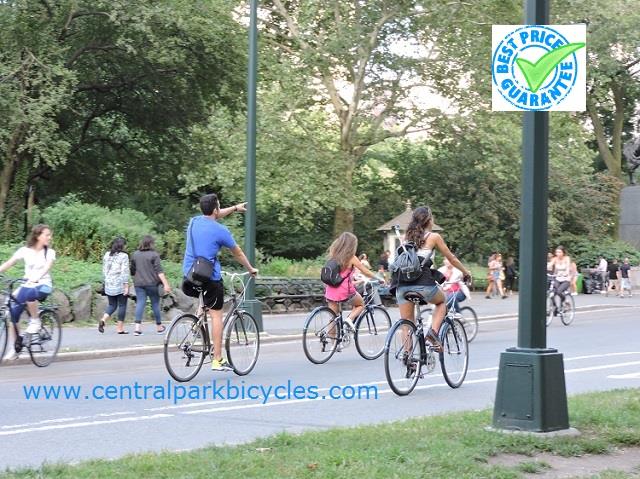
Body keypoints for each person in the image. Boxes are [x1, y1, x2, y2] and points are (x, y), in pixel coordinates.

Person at [182, 193, 258, 372]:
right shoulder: (221, 231)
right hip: (209, 276)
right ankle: (217, 359)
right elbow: (237, 253)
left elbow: (214, 214)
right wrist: (250, 269)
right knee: (217, 315)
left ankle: (196, 323)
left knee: (205, 300)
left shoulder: (193, 222)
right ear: (215, 209)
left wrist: (234, 208)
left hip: (189, 273)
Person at [392, 206, 471, 351]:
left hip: (401, 285)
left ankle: (408, 358)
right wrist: (465, 272)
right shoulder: (433, 237)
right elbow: (451, 259)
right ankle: (433, 333)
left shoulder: (406, 237)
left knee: (407, 323)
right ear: (429, 220)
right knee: (442, 302)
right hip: (423, 284)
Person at [0, 224, 56, 360]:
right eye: (47, 235)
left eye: (50, 235)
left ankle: (35, 321)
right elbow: (9, 263)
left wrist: (37, 277)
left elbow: (47, 267)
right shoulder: (24, 251)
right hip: (27, 284)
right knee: (13, 314)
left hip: (43, 285)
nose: (50, 237)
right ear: (38, 236)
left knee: (30, 293)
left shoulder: (50, 252)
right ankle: (16, 347)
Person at [324, 232, 379, 334]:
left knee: (333, 318)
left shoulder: (333, 254)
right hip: (345, 290)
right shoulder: (351, 257)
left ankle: (333, 345)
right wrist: (378, 278)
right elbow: (365, 270)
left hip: (331, 289)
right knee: (360, 304)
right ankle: (349, 319)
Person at [130, 235, 172, 335]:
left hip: (139, 283)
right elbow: (159, 271)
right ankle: (159, 327)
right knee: (155, 304)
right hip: (152, 283)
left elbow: (132, 270)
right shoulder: (154, 255)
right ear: (151, 243)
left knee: (140, 303)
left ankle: (137, 328)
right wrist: (166, 284)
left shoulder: (135, 254)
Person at [98, 237, 130, 334]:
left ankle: (103, 319)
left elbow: (104, 270)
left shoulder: (107, 255)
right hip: (119, 283)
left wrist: (106, 280)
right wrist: (126, 285)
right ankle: (120, 328)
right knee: (122, 305)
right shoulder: (124, 256)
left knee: (112, 305)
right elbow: (124, 272)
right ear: (122, 245)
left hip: (109, 283)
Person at [548, 245, 572, 313]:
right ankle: (555, 307)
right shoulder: (555, 259)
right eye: (557, 252)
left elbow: (567, 267)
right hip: (557, 278)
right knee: (552, 293)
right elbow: (550, 265)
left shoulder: (567, 258)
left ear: (563, 253)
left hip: (565, 279)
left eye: (559, 252)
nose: (558, 254)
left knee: (559, 291)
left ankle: (565, 302)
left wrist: (566, 273)